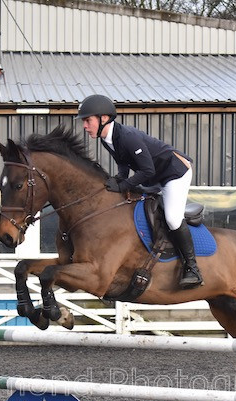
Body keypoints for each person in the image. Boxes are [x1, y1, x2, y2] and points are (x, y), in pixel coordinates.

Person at [77, 94, 204, 288]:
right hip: (155, 176)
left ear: (103, 119)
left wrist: (123, 185)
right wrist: (118, 179)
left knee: (172, 218)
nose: (85, 126)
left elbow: (147, 170)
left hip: (174, 173)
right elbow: (123, 165)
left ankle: (193, 268)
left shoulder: (127, 137)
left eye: (88, 120)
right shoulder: (107, 139)